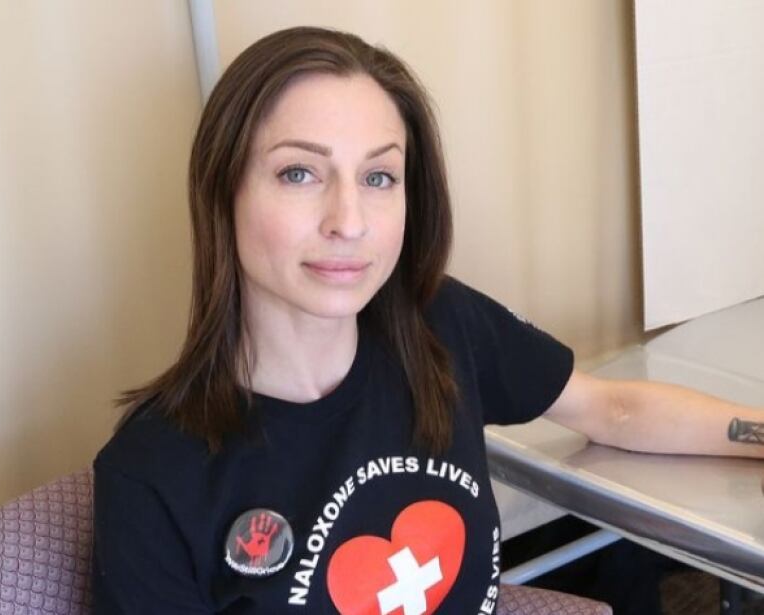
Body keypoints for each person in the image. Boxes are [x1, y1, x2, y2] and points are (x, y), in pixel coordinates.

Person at [91, 25, 764, 614]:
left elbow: (613, 409)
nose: (348, 221)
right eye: (299, 173)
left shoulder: (438, 321)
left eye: (379, 177)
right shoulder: (151, 474)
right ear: (222, 190)